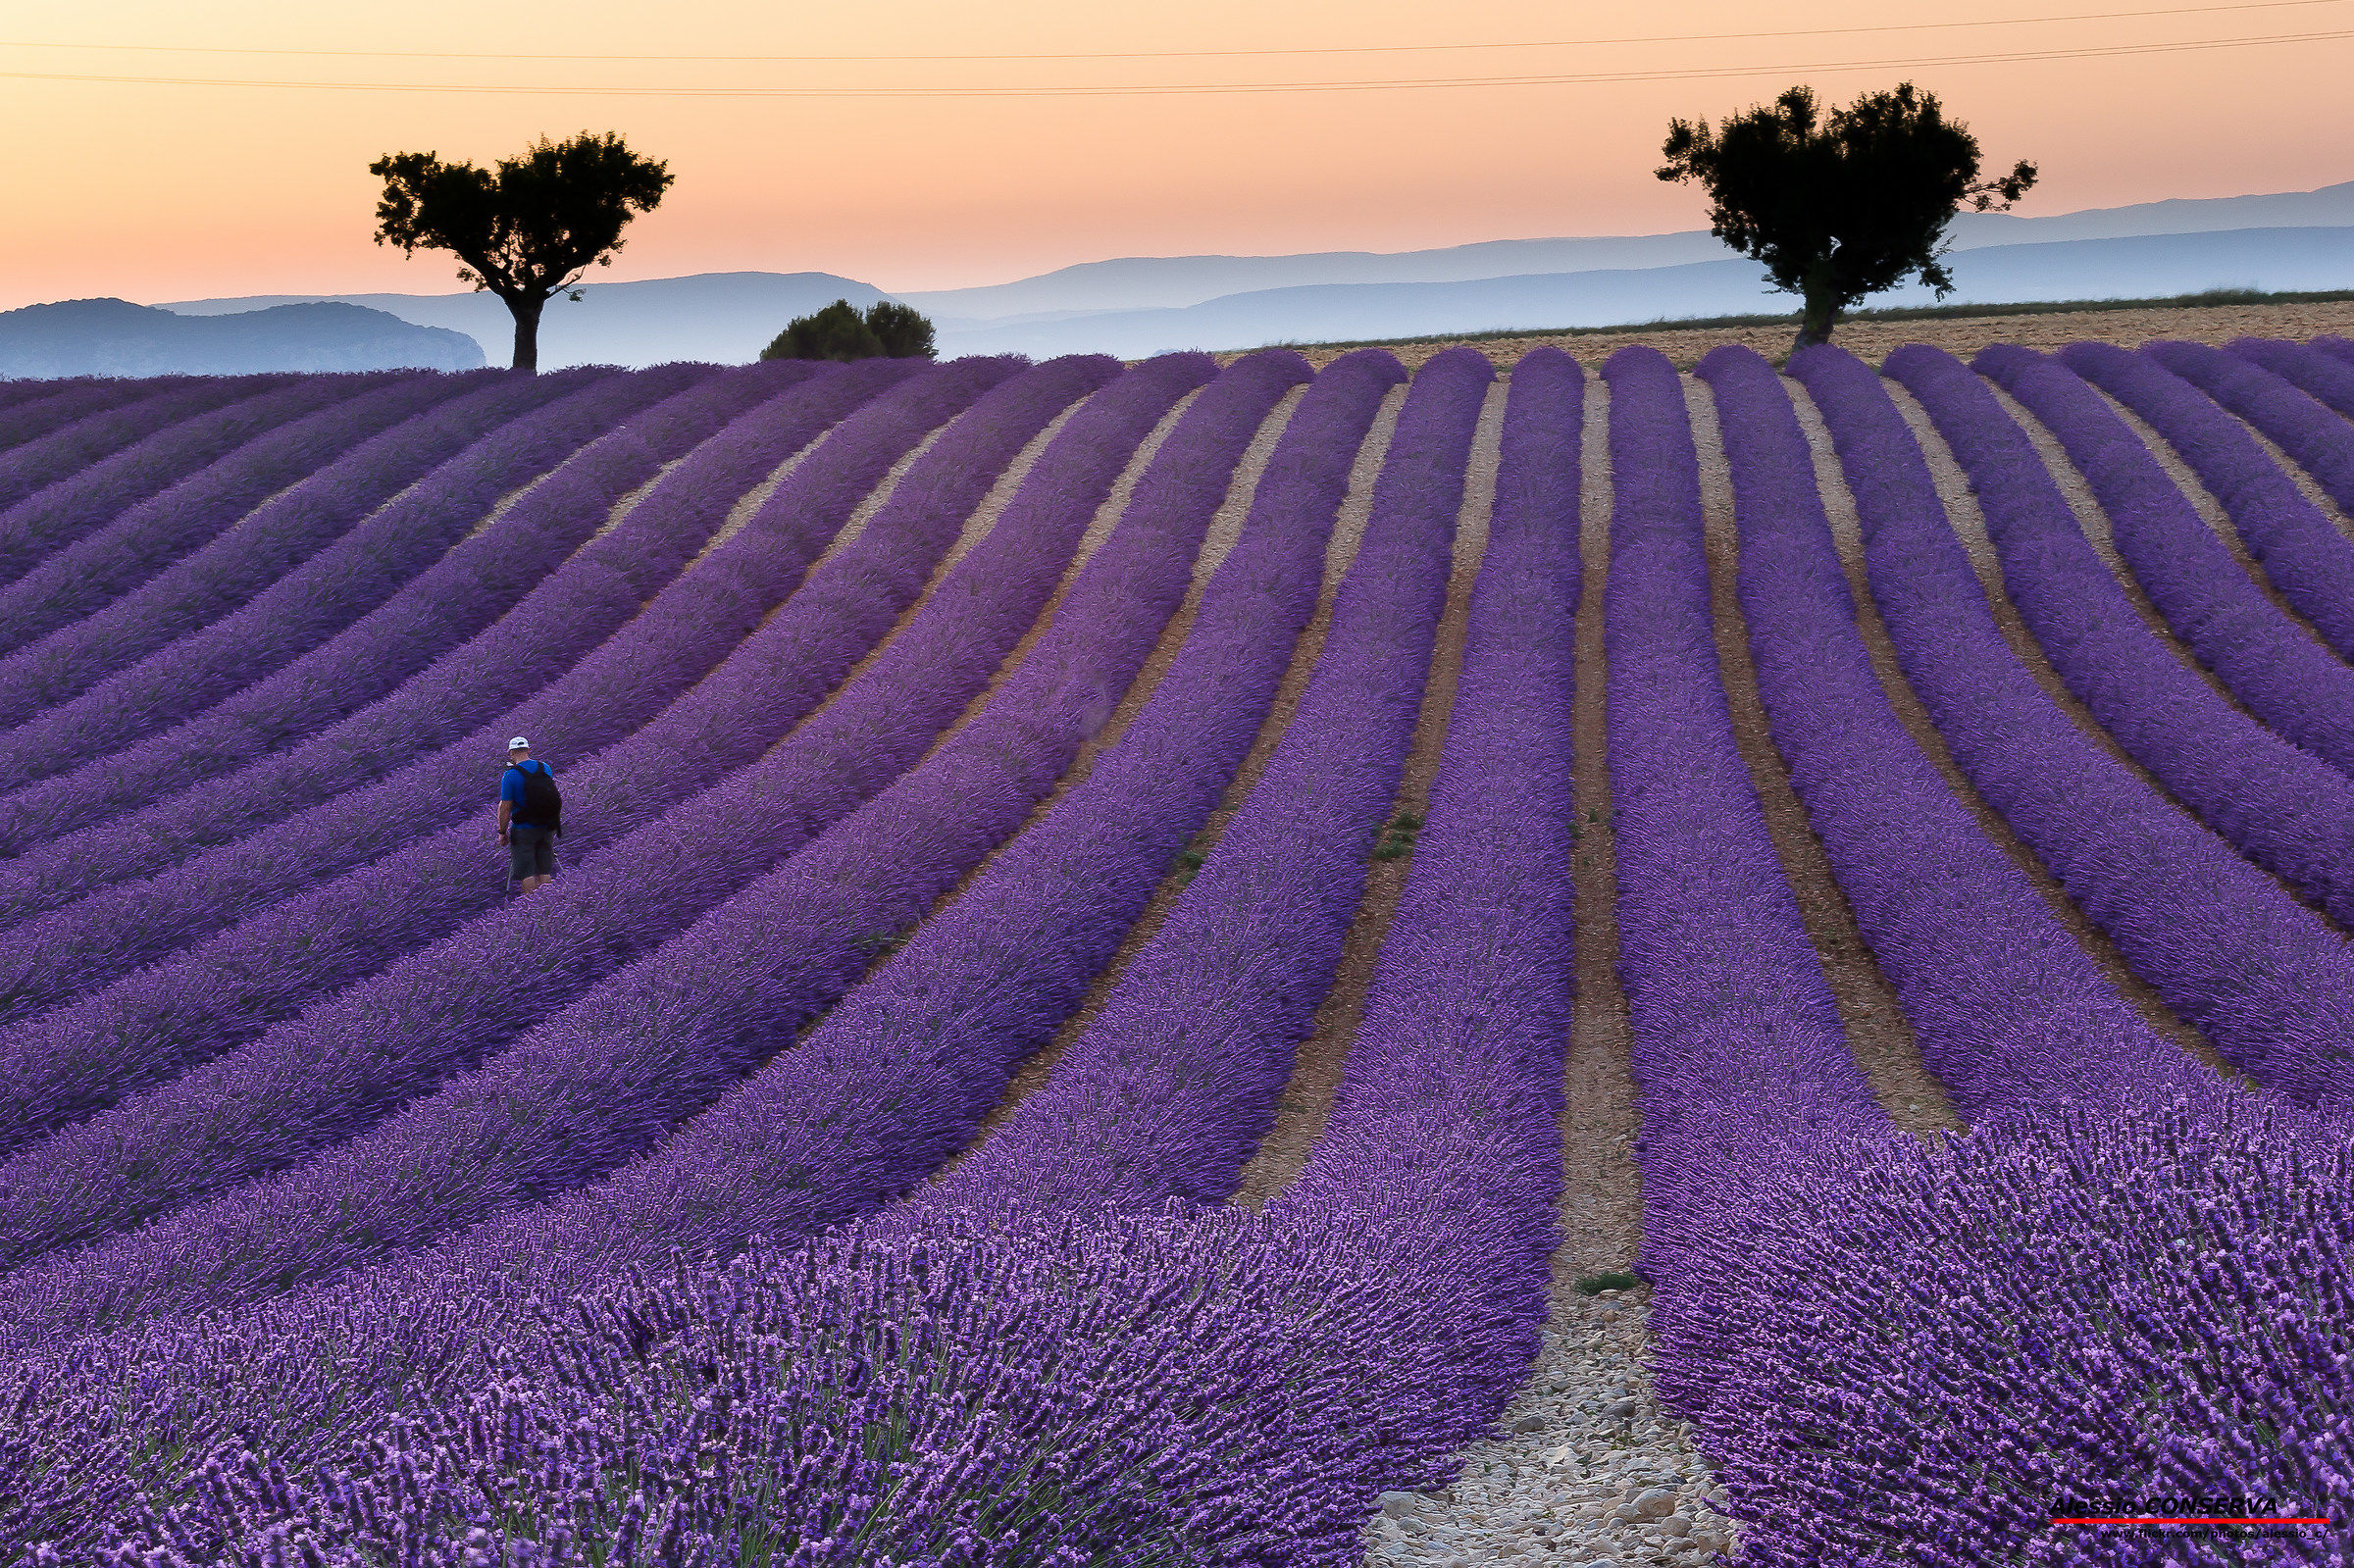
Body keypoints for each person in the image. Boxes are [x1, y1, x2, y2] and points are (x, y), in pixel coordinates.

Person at [497, 736, 561, 893]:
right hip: (547, 825)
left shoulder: (510, 775)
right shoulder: (545, 768)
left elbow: (505, 807)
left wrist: (502, 832)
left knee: (526, 872)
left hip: (524, 828)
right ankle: (549, 904)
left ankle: (531, 908)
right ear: (528, 750)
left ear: (511, 753)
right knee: (544, 869)